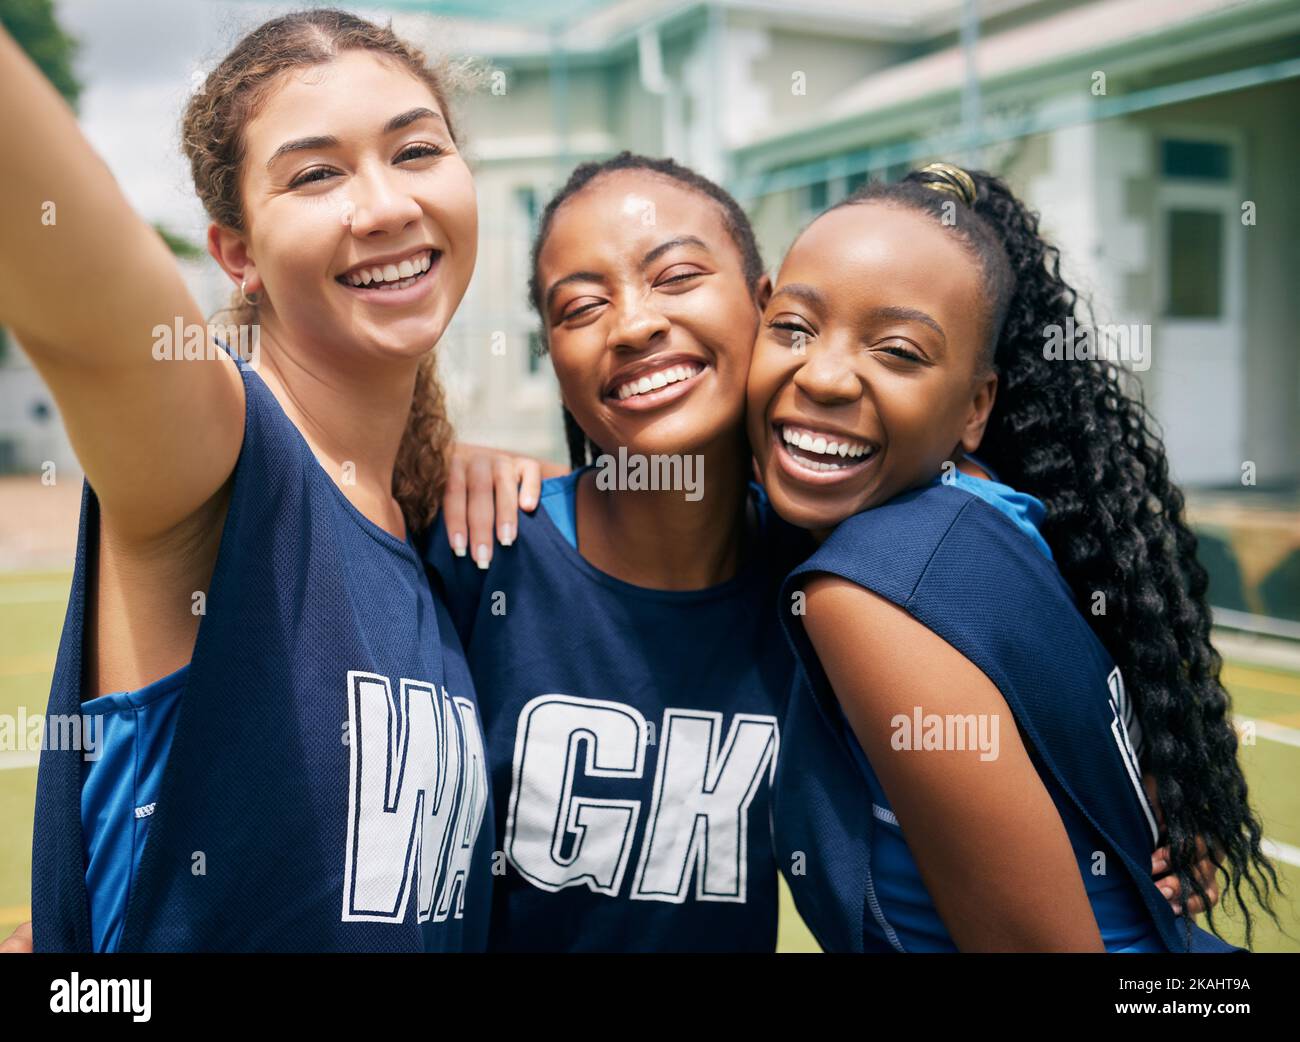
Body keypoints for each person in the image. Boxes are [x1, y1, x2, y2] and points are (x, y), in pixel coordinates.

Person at [1, 8, 494, 951]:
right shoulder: (220, 454)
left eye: (417, 150)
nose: (386, 205)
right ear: (237, 253)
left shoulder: (424, 528)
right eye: (316, 174)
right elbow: (87, 309)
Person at [748, 162, 1276, 951]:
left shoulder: (867, 592)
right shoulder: (994, 508)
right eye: (793, 328)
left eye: (897, 351)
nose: (823, 375)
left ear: (974, 406)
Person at [428, 153, 809, 951]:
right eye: (581, 307)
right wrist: (429, 459)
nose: (634, 324)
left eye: (674, 278)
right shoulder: (478, 549)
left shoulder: (822, 587)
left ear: (764, 305)